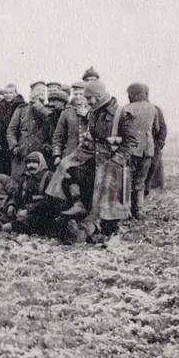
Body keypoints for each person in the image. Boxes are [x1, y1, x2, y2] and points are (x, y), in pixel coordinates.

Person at [49, 80, 136, 245]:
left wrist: (117, 159)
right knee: (67, 167)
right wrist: (76, 156)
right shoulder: (94, 112)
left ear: (99, 96)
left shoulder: (122, 114)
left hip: (112, 163)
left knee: (106, 203)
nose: (87, 102)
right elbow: (91, 137)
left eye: (89, 99)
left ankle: (107, 231)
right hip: (92, 156)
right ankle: (78, 204)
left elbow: (131, 142)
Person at [123, 82, 160, 219]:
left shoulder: (127, 108)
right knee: (140, 182)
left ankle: (126, 211)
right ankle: (139, 210)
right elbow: (156, 129)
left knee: (127, 181)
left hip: (131, 150)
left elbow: (123, 129)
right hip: (147, 150)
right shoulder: (153, 109)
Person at [2, 151, 59, 237]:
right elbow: (17, 195)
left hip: (46, 214)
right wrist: (12, 205)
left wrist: (28, 210)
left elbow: (51, 201)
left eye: (34, 162)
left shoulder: (49, 177)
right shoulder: (26, 179)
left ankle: (2, 228)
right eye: (28, 163)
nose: (30, 165)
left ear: (41, 163)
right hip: (28, 213)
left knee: (30, 220)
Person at [7, 81, 51, 179]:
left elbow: (52, 126)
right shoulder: (22, 109)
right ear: (31, 93)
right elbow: (11, 131)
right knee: (18, 180)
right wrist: (14, 146)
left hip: (41, 151)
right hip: (22, 151)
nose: (41, 92)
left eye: (43, 91)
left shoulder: (49, 110)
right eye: (38, 90)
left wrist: (41, 108)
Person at [0, 84, 24, 175]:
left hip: (16, 142)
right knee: (2, 168)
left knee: (16, 168)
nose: (8, 95)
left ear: (16, 93)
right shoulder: (0, 106)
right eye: (6, 93)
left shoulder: (21, 106)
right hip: (2, 143)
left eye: (11, 92)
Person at [51, 91, 90, 166]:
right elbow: (57, 136)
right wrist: (57, 155)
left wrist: (87, 116)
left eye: (81, 94)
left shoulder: (93, 111)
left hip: (89, 157)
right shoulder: (66, 112)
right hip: (70, 155)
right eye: (75, 94)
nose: (78, 97)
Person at [145, 88, 167, 197]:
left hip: (153, 147)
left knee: (153, 170)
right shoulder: (131, 109)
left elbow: (162, 128)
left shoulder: (155, 109)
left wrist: (159, 144)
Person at [42, 89, 69, 168]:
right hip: (51, 153)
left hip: (65, 152)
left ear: (62, 102)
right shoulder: (50, 118)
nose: (51, 104)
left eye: (54, 101)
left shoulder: (68, 115)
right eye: (50, 101)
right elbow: (45, 134)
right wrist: (46, 145)